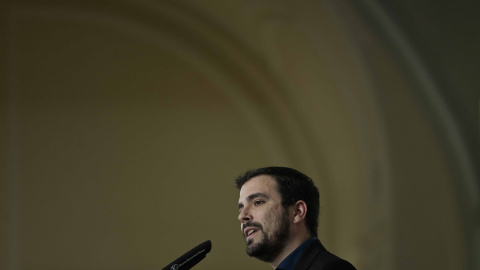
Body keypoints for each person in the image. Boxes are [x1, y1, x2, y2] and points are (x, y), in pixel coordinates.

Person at [235, 166, 356, 270]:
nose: (242, 216)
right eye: (241, 208)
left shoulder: (332, 268)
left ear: (298, 212)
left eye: (258, 202)